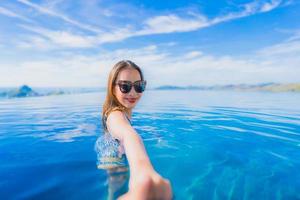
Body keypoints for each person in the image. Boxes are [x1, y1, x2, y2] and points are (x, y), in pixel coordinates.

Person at [95, 60, 173, 200]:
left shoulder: (118, 112)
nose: (133, 93)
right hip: (114, 159)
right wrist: (144, 172)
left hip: (113, 154)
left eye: (138, 86)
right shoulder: (115, 115)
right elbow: (128, 134)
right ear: (112, 88)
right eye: (125, 86)